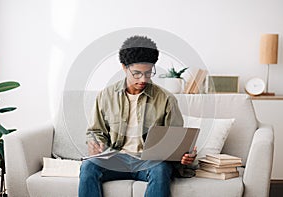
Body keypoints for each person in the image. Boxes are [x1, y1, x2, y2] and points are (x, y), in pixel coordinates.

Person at [79, 35, 196, 197]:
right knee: (88, 166)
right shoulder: (106, 96)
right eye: (136, 73)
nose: (143, 79)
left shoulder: (167, 100)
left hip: (149, 162)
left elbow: (175, 141)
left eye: (148, 73)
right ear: (124, 67)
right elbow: (95, 131)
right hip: (115, 158)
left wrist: (184, 155)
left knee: (161, 169)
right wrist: (95, 142)